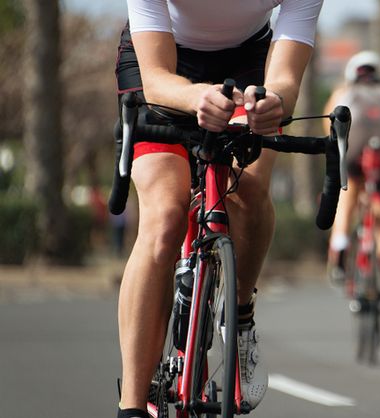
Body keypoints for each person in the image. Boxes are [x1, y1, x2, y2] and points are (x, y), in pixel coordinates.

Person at [114, 1, 323, 417]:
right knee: (165, 216)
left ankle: (240, 316)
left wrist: (275, 100)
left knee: (248, 191)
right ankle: (132, 405)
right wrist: (195, 96)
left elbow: (284, 78)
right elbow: (155, 80)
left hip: (249, 63)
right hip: (160, 59)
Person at [324, 51, 380, 342]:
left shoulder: (342, 92)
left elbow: (331, 133)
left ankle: (341, 243)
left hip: (356, 148)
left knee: (349, 191)